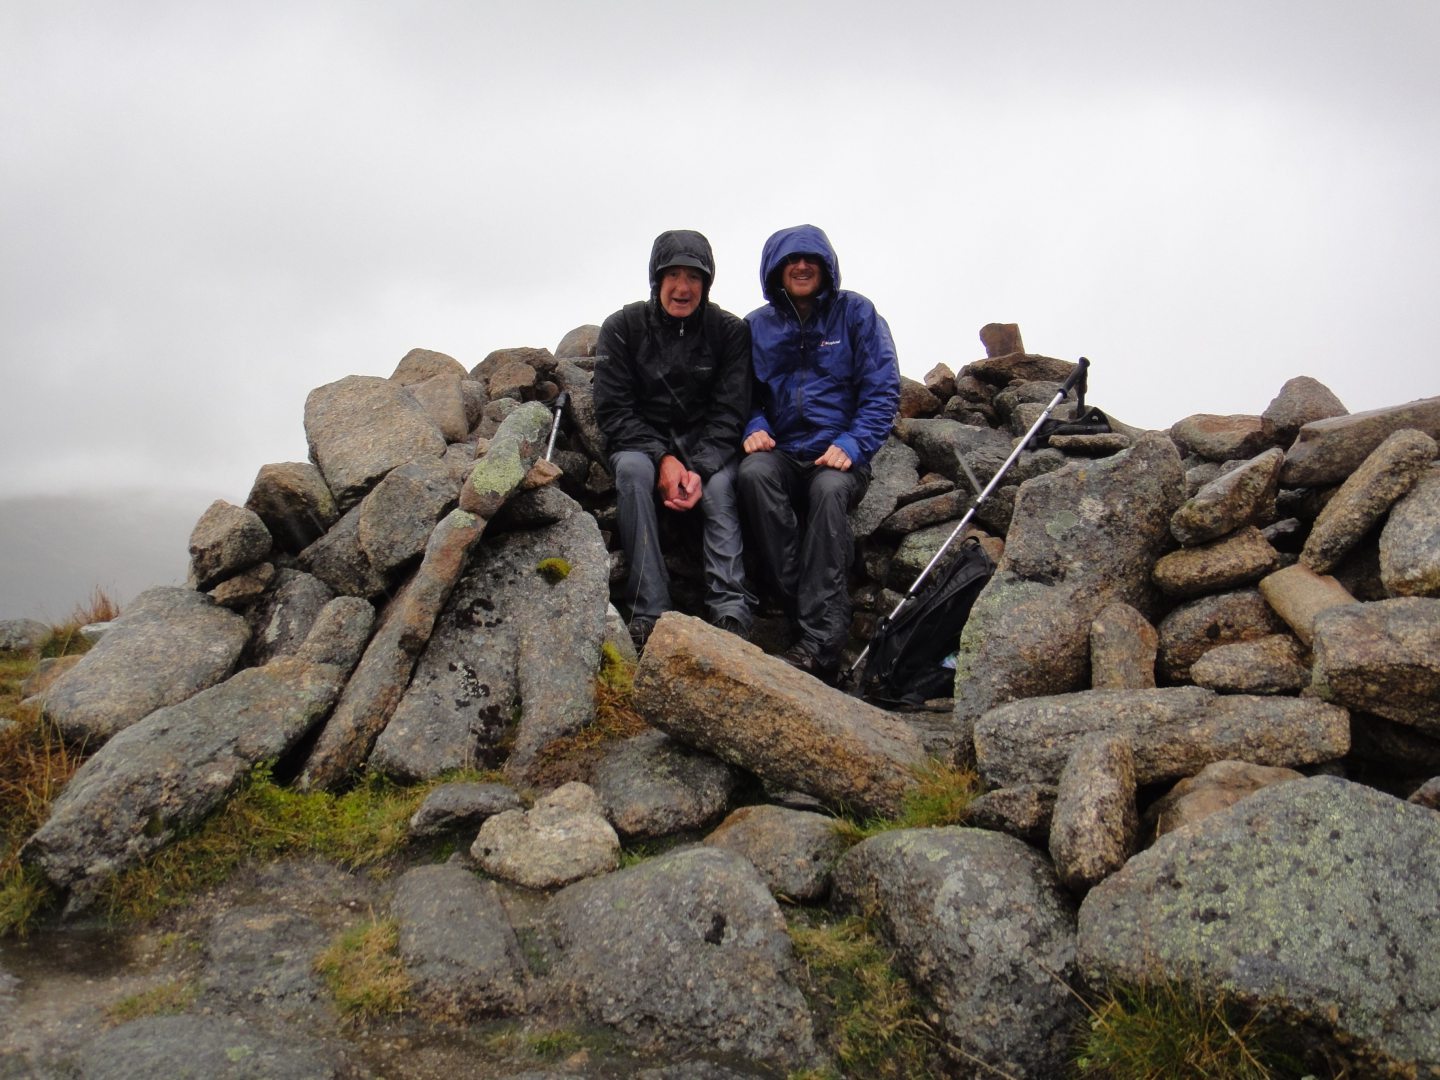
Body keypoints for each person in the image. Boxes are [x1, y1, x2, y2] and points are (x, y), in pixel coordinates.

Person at [738, 224, 900, 682]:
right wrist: (753, 424)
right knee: (752, 475)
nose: (802, 266)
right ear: (776, 270)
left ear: (827, 267)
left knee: (829, 493)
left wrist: (852, 443)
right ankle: (806, 607)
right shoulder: (755, 327)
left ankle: (821, 647)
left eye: (811, 259)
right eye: (791, 260)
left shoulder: (857, 314)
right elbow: (740, 393)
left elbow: (882, 390)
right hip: (783, 451)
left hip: (839, 453)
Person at [593, 229, 753, 651]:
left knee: (720, 486)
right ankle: (650, 611)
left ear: (707, 282)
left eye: (694, 277)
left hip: (707, 446)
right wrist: (662, 457)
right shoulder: (623, 328)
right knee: (630, 472)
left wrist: (698, 467)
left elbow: (730, 412)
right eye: (673, 275)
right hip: (642, 441)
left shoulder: (729, 332)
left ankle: (731, 610)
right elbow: (614, 411)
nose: (683, 288)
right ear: (656, 278)